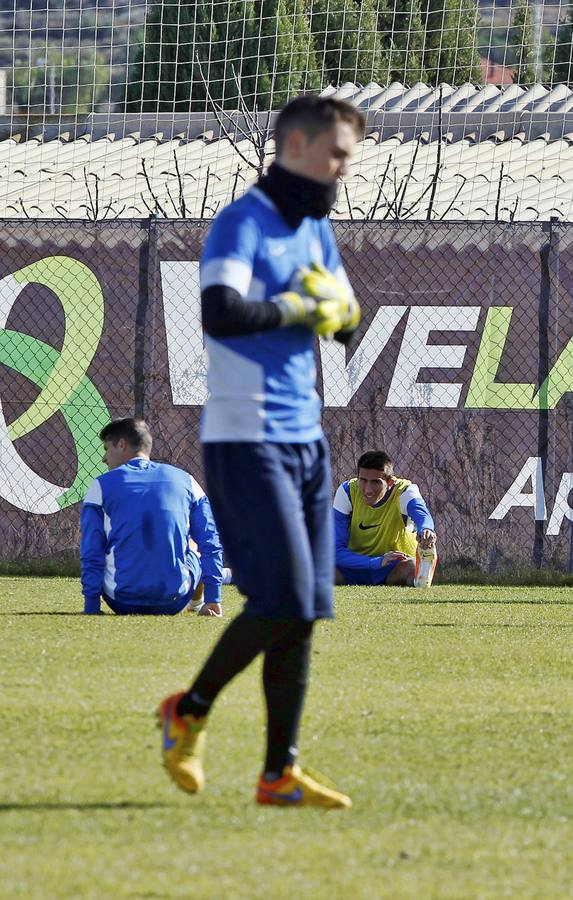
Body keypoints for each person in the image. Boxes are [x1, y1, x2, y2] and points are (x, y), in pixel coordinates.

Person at [155, 94, 366, 810]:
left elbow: (341, 322)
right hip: (246, 437)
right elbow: (220, 312)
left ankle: (279, 773)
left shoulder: (316, 228)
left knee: (303, 607)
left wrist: (342, 318)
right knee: (279, 598)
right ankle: (189, 709)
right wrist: (301, 310)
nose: (343, 168)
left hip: (306, 437)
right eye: (337, 153)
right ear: (299, 145)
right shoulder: (242, 222)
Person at [80, 418, 226, 616]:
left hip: (120, 601)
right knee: (194, 545)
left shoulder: (100, 485)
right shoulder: (187, 481)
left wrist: (91, 607)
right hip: (173, 601)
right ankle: (201, 604)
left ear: (121, 444)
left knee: (105, 544)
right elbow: (210, 541)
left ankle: (201, 600)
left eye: (106, 448)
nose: (104, 458)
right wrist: (214, 597)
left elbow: (91, 550)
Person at [333, 450, 437, 587]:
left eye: (375, 482)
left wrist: (426, 530)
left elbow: (422, 514)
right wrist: (376, 562)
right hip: (355, 565)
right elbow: (336, 551)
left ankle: (420, 579)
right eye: (363, 481)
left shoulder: (404, 491)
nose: (367, 490)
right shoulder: (347, 491)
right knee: (321, 568)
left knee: (410, 566)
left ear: (390, 482)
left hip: (393, 567)